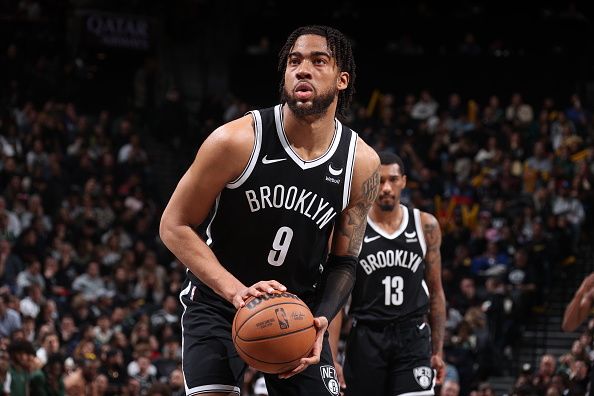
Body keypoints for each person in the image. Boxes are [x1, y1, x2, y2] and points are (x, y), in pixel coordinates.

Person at [159, 25, 380, 396]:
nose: (302, 69)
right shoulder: (235, 140)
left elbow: (345, 261)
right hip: (219, 302)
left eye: (318, 60)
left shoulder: (363, 165)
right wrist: (237, 293)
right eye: (294, 61)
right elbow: (174, 224)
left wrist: (322, 318)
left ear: (343, 80)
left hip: (298, 313)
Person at [330, 151, 446, 396]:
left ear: (403, 181)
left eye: (392, 179)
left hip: (412, 336)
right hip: (366, 337)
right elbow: (337, 301)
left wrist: (438, 351)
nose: (386, 187)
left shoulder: (426, 225)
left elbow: (436, 292)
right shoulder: (352, 228)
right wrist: (331, 359)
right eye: (379, 180)